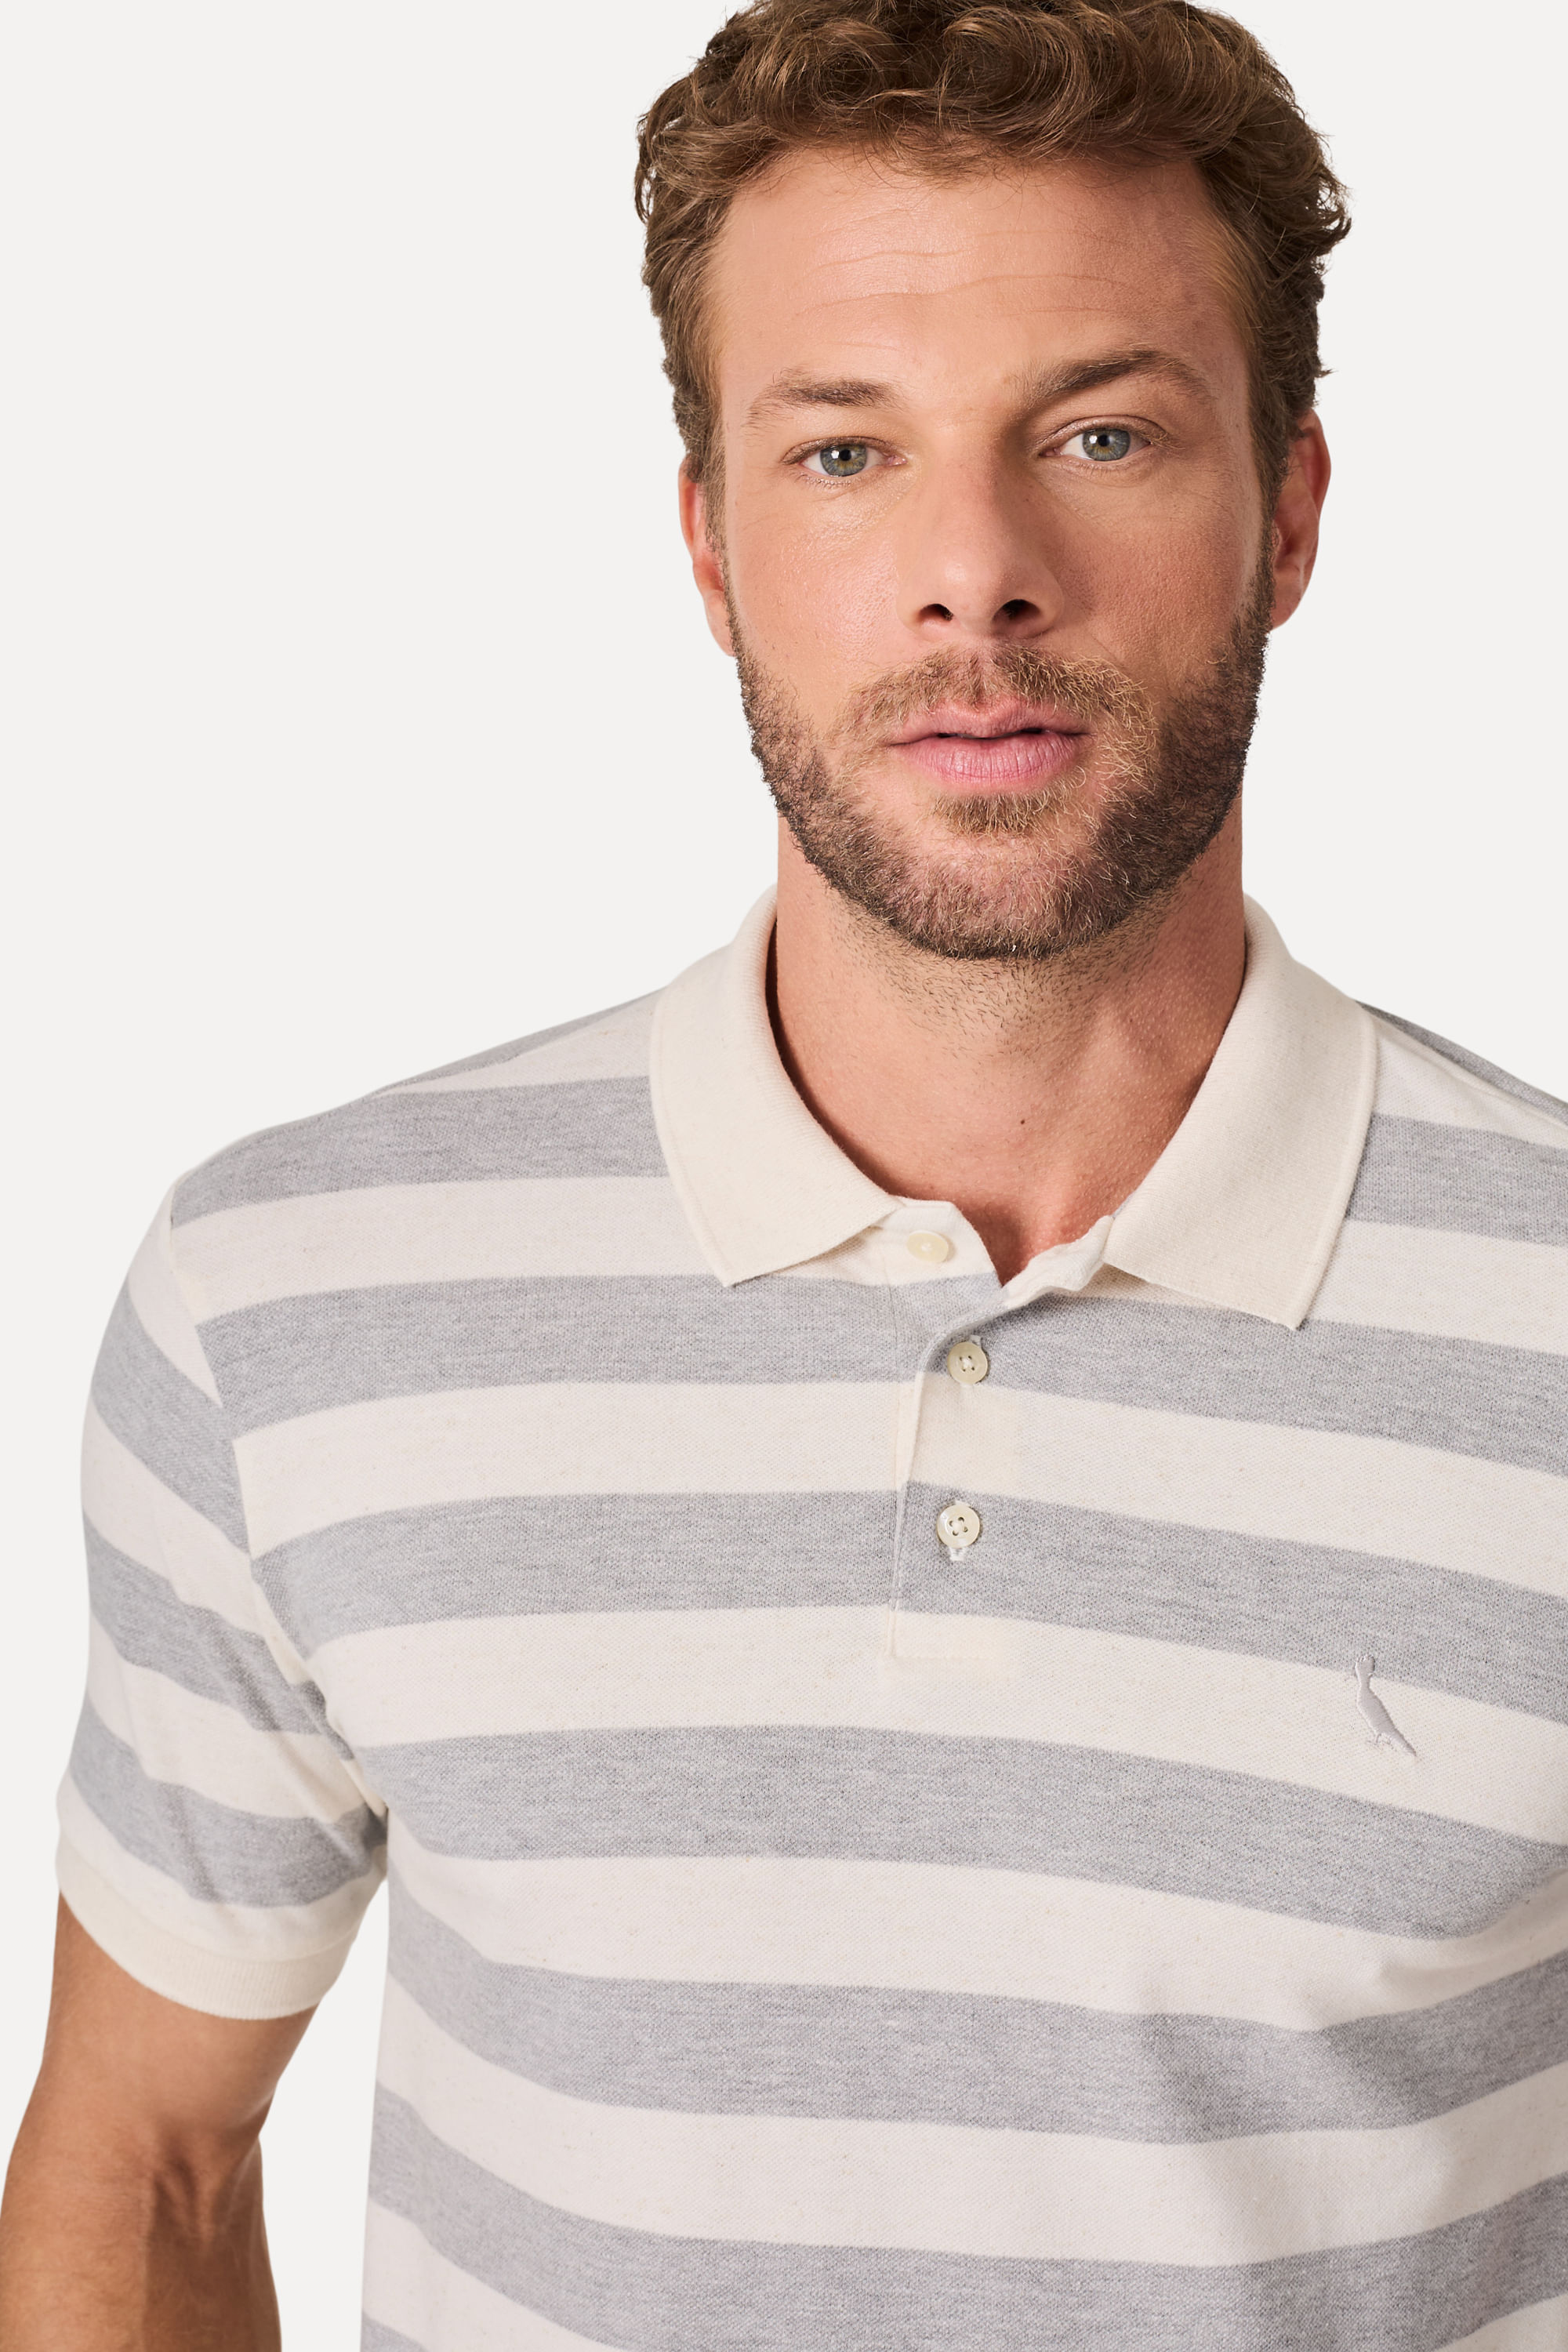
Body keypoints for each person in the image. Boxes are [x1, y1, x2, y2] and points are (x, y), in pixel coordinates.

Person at [2, 0, 1566, 2343]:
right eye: (845, 453)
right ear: (711, 547)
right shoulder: (294, 1304)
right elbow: (145, 2159)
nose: (975, 575)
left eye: (1103, 432)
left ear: (1291, 515)